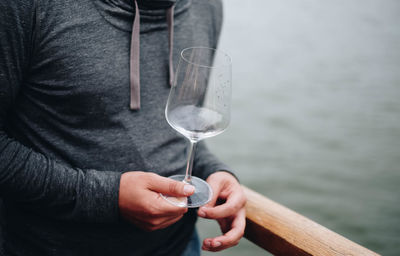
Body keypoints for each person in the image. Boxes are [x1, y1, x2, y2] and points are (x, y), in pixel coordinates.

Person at [0, 0, 246, 255]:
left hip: (180, 246)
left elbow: (184, 124)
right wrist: (107, 197)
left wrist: (214, 171)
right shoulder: (28, 7)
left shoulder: (207, 7)